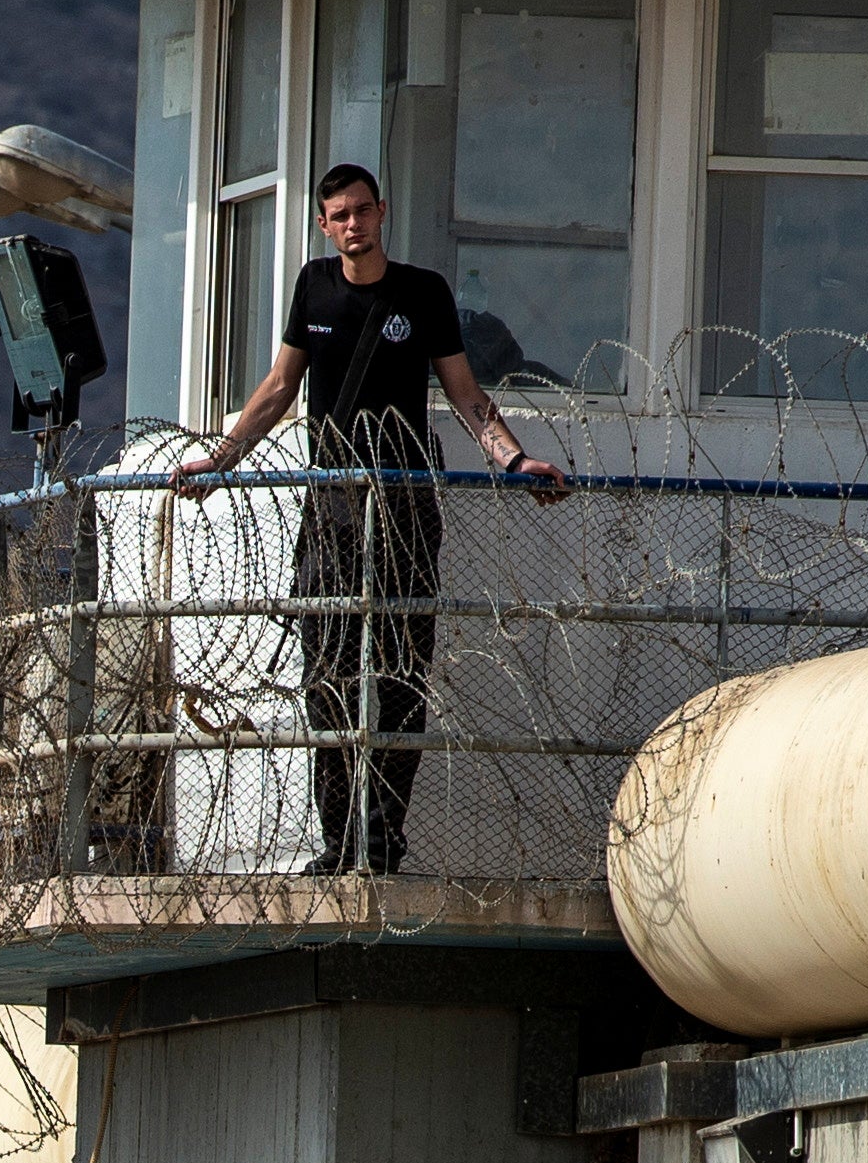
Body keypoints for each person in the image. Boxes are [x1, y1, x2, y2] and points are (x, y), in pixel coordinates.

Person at [167, 165, 574, 878]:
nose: (353, 224)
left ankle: (382, 842)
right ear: (324, 225)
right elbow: (277, 388)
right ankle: (338, 841)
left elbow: (466, 395)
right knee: (326, 674)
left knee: (398, 676)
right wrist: (221, 459)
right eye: (338, 215)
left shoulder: (421, 294)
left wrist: (514, 462)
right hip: (332, 505)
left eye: (362, 211)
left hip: (404, 502)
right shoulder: (314, 287)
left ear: (382, 212)